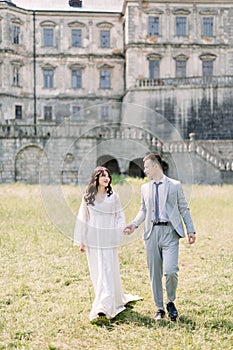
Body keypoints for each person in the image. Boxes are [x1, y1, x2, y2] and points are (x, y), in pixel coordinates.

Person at [124, 153, 196, 322]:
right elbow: (143, 210)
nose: (145, 170)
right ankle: (159, 308)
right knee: (154, 273)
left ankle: (171, 301)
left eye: (147, 167)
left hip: (170, 233)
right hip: (151, 233)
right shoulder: (145, 188)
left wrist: (191, 230)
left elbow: (184, 209)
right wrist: (134, 225)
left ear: (156, 166)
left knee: (170, 271)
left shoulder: (175, 185)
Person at [74, 166, 141, 322]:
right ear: (96, 178)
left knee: (108, 268)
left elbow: (119, 215)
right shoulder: (87, 197)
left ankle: (104, 307)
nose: (106, 178)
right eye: (102, 175)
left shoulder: (113, 196)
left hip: (108, 236)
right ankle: (105, 298)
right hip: (93, 238)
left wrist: (119, 229)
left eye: (108, 175)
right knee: (98, 269)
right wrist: (82, 241)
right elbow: (83, 219)